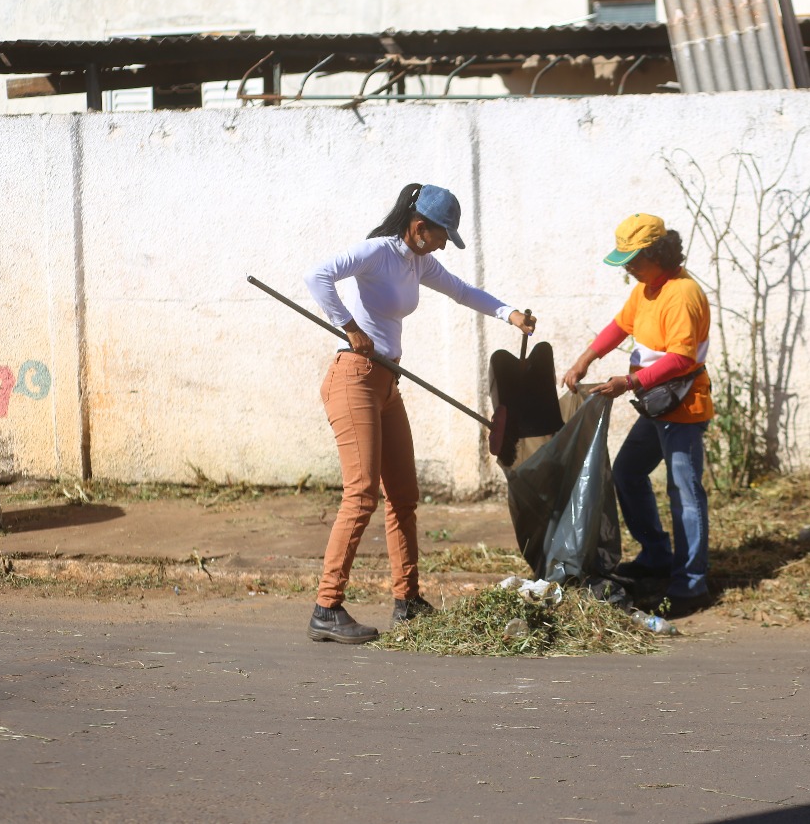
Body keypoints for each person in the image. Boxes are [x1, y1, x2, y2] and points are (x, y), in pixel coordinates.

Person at [303, 183, 535, 643]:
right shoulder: (378, 252)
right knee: (363, 493)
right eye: (443, 233)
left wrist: (509, 314)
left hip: (387, 382)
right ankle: (326, 607)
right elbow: (317, 276)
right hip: (354, 378)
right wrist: (349, 327)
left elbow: (463, 292)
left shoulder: (419, 262)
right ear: (419, 227)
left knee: (404, 495)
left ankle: (407, 601)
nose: (446, 242)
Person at [560, 213, 715, 618]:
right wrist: (584, 360)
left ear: (657, 253)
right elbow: (619, 326)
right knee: (628, 472)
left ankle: (692, 583)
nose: (627, 268)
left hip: (680, 406)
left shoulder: (682, 294)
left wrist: (627, 384)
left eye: (633, 259)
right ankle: (657, 555)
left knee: (685, 492)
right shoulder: (647, 289)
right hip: (655, 404)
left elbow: (681, 358)